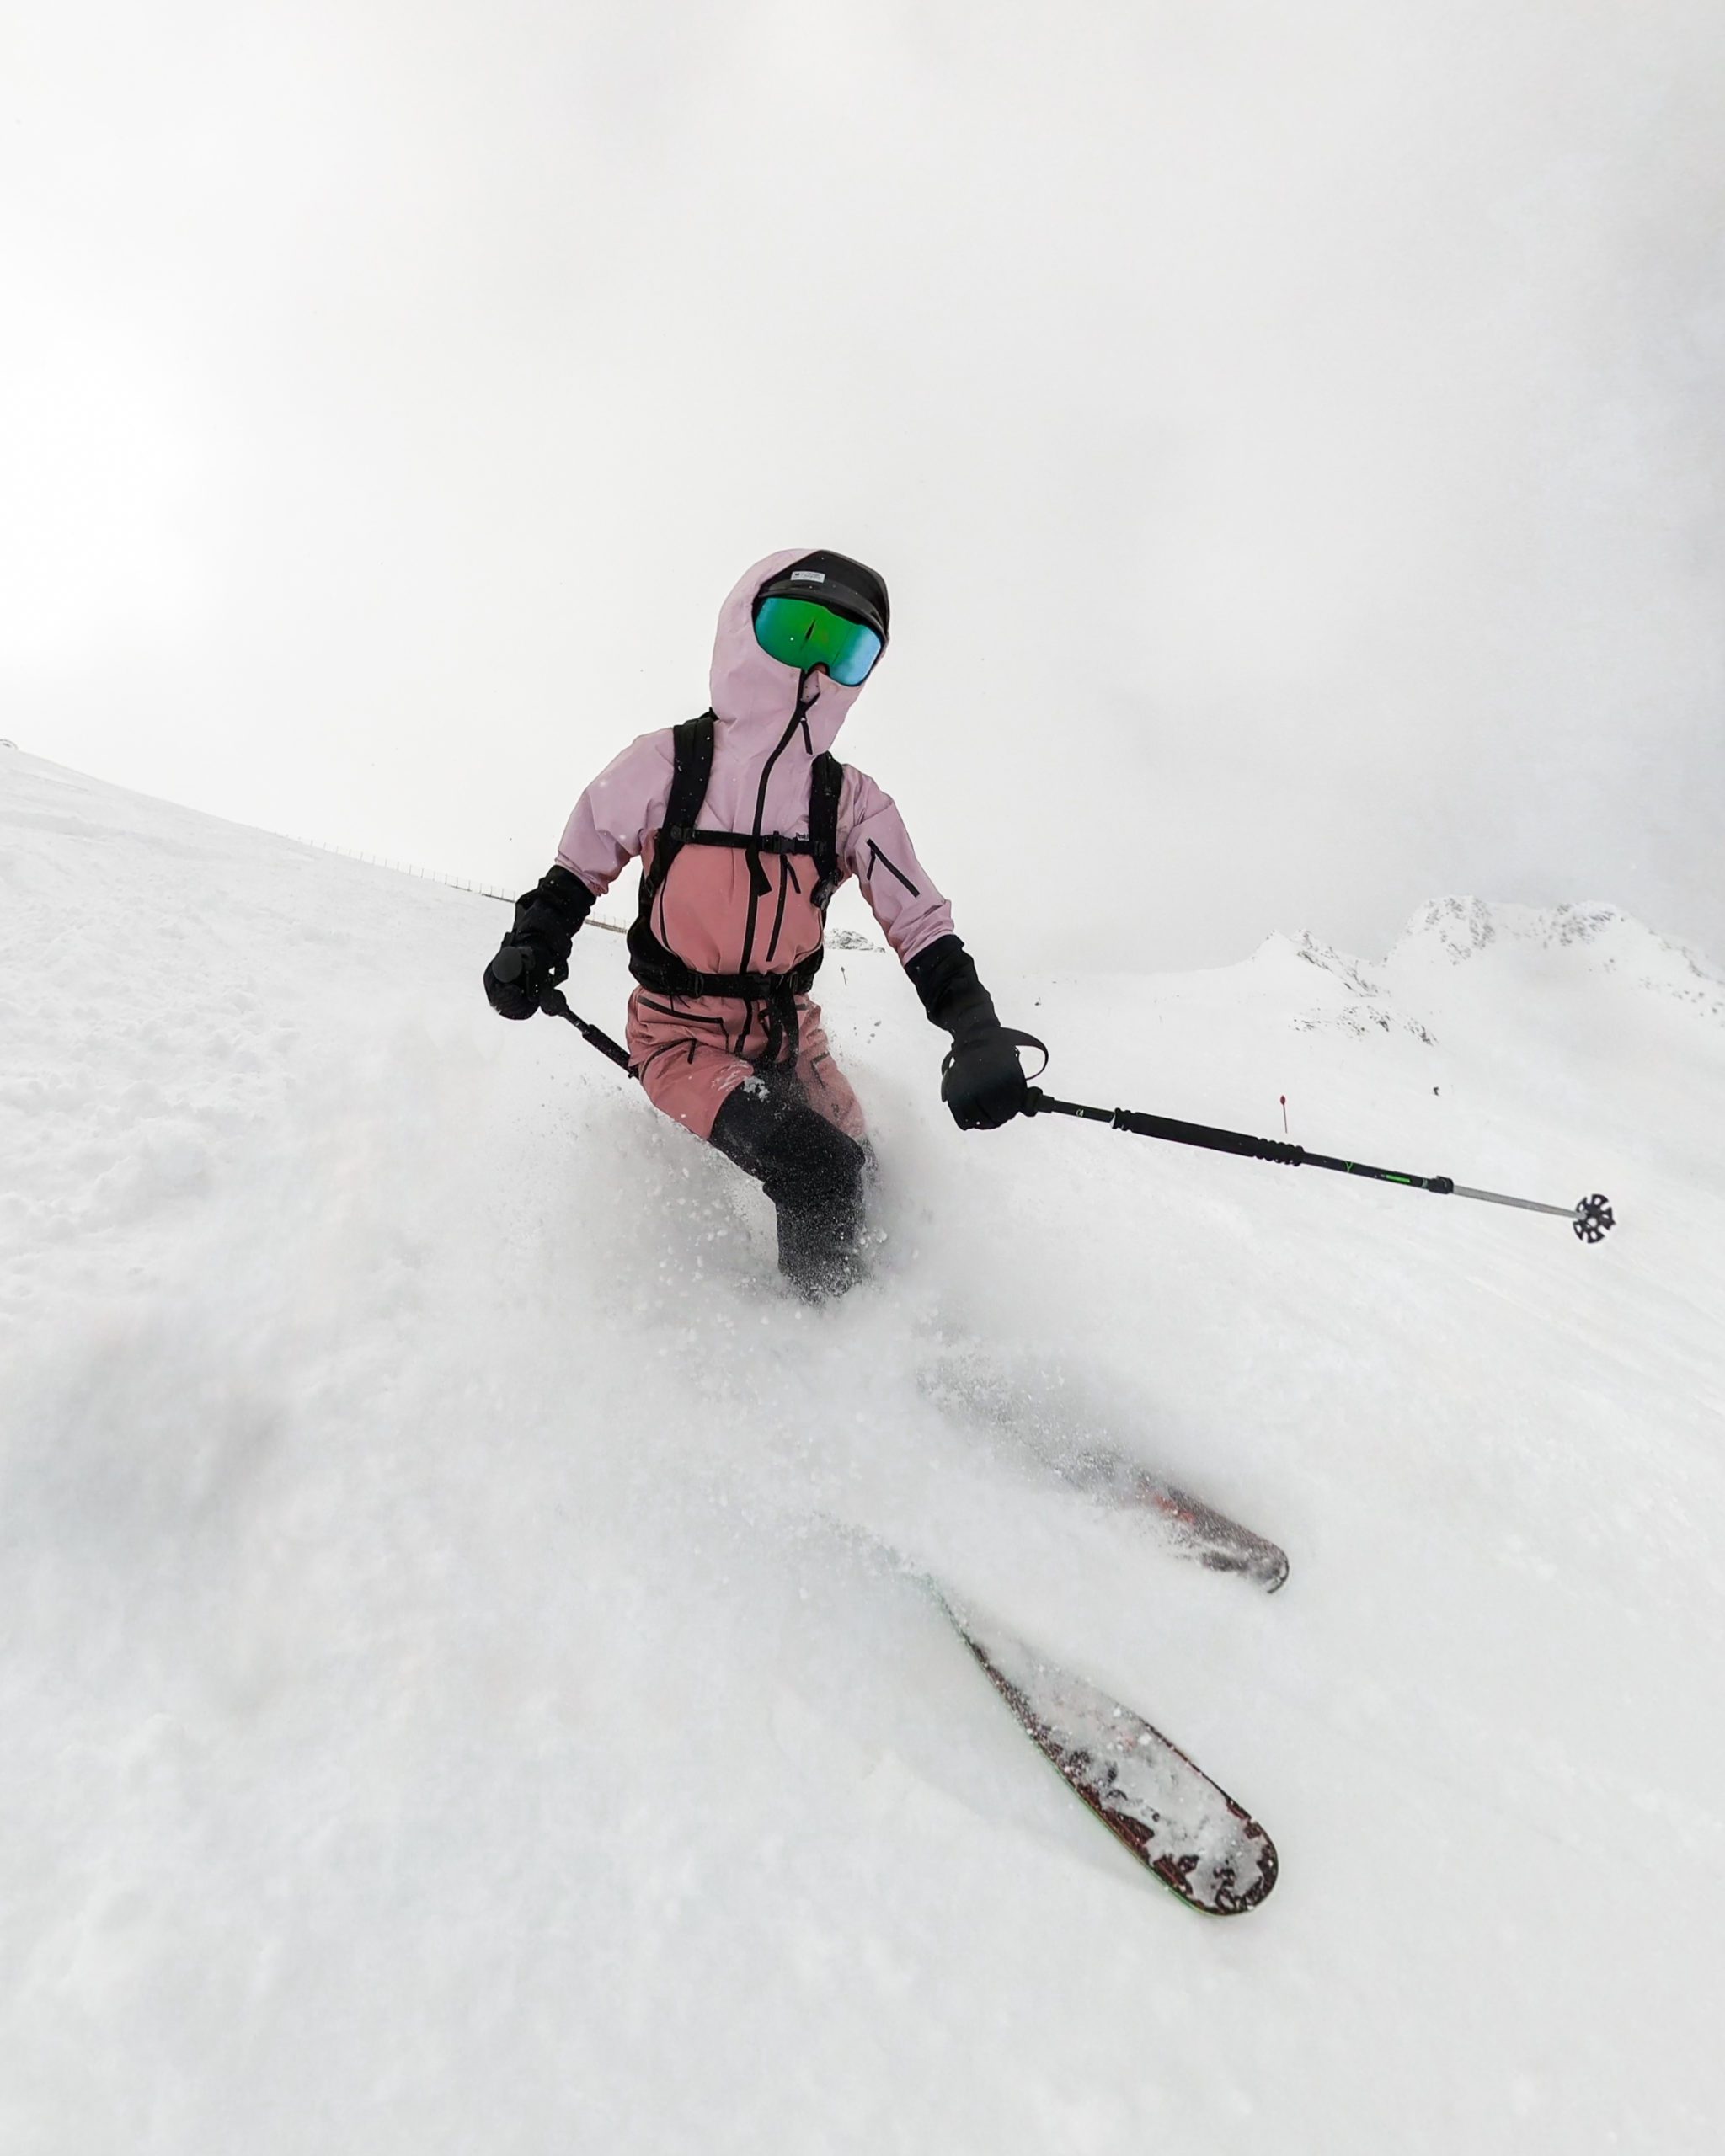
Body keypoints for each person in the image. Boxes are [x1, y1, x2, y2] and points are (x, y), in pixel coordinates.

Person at [483, 547, 1029, 1299]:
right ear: (743, 628)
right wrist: (532, 944)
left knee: (871, 1176)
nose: (816, 670)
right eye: (796, 630)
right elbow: (578, 867)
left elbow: (920, 921)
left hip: (790, 1036)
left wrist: (976, 1030)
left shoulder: (849, 802)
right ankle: (820, 1354)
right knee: (820, 1172)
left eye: (848, 649)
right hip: (680, 1039)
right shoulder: (666, 765)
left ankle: (893, 1340)